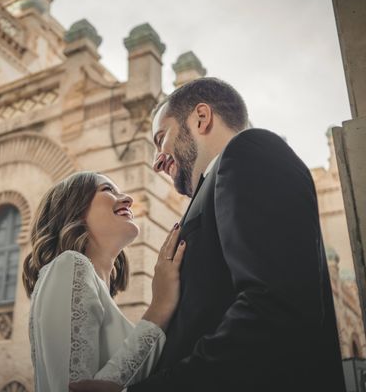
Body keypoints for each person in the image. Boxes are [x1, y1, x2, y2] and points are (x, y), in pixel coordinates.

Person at [71, 77, 345, 392]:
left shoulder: (250, 151)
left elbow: (274, 309)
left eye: (162, 139)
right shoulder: (221, 181)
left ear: (201, 118)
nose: (158, 161)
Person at [22, 171, 187, 392]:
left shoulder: (90, 285)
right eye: (108, 189)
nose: (128, 199)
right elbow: (76, 388)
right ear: (74, 209)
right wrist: (160, 306)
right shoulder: (70, 264)